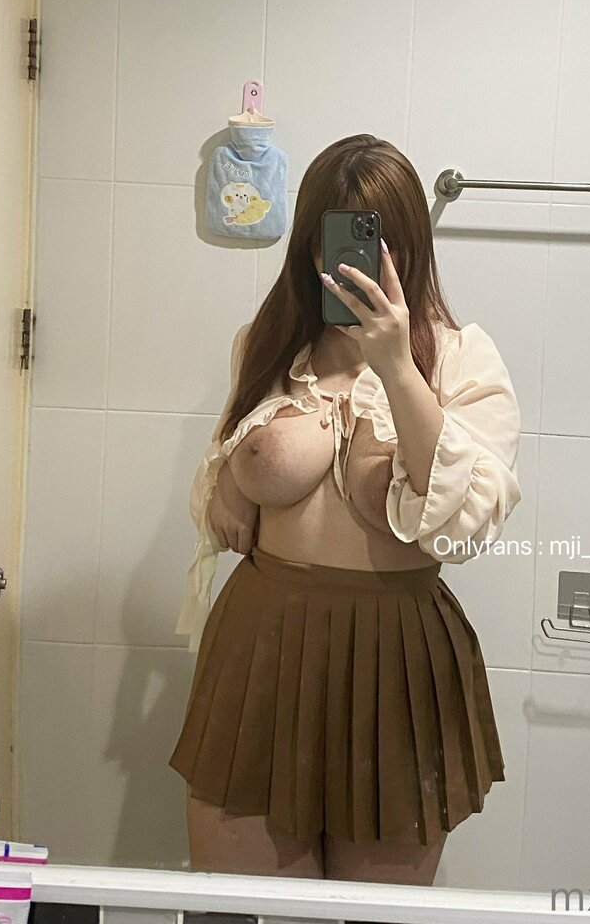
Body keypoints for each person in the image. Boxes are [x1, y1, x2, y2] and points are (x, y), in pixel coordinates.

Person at [169, 134, 522, 888]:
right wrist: (229, 478)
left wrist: (395, 365)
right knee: (239, 910)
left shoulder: (462, 357)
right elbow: (231, 481)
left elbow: (463, 522)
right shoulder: (268, 346)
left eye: (378, 242)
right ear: (309, 244)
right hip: (262, 644)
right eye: (335, 239)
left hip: (397, 655)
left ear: (411, 247)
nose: (354, 263)